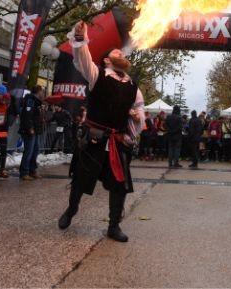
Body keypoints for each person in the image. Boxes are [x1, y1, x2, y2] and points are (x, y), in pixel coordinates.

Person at [58, 21, 144, 242]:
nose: (121, 53)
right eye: (116, 52)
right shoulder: (97, 74)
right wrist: (79, 39)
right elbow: (82, 60)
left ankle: (113, 226)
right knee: (80, 179)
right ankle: (71, 209)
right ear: (107, 60)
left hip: (118, 141)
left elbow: (139, 109)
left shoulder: (133, 86)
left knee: (120, 186)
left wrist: (136, 117)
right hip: (94, 140)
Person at [19, 85, 44, 181]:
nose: (43, 93)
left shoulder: (37, 102)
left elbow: (34, 115)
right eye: (42, 91)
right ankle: (24, 172)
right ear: (39, 91)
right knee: (29, 151)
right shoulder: (30, 100)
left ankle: (32, 170)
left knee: (35, 150)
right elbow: (27, 114)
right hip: (29, 130)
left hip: (35, 129)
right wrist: (30, 127)